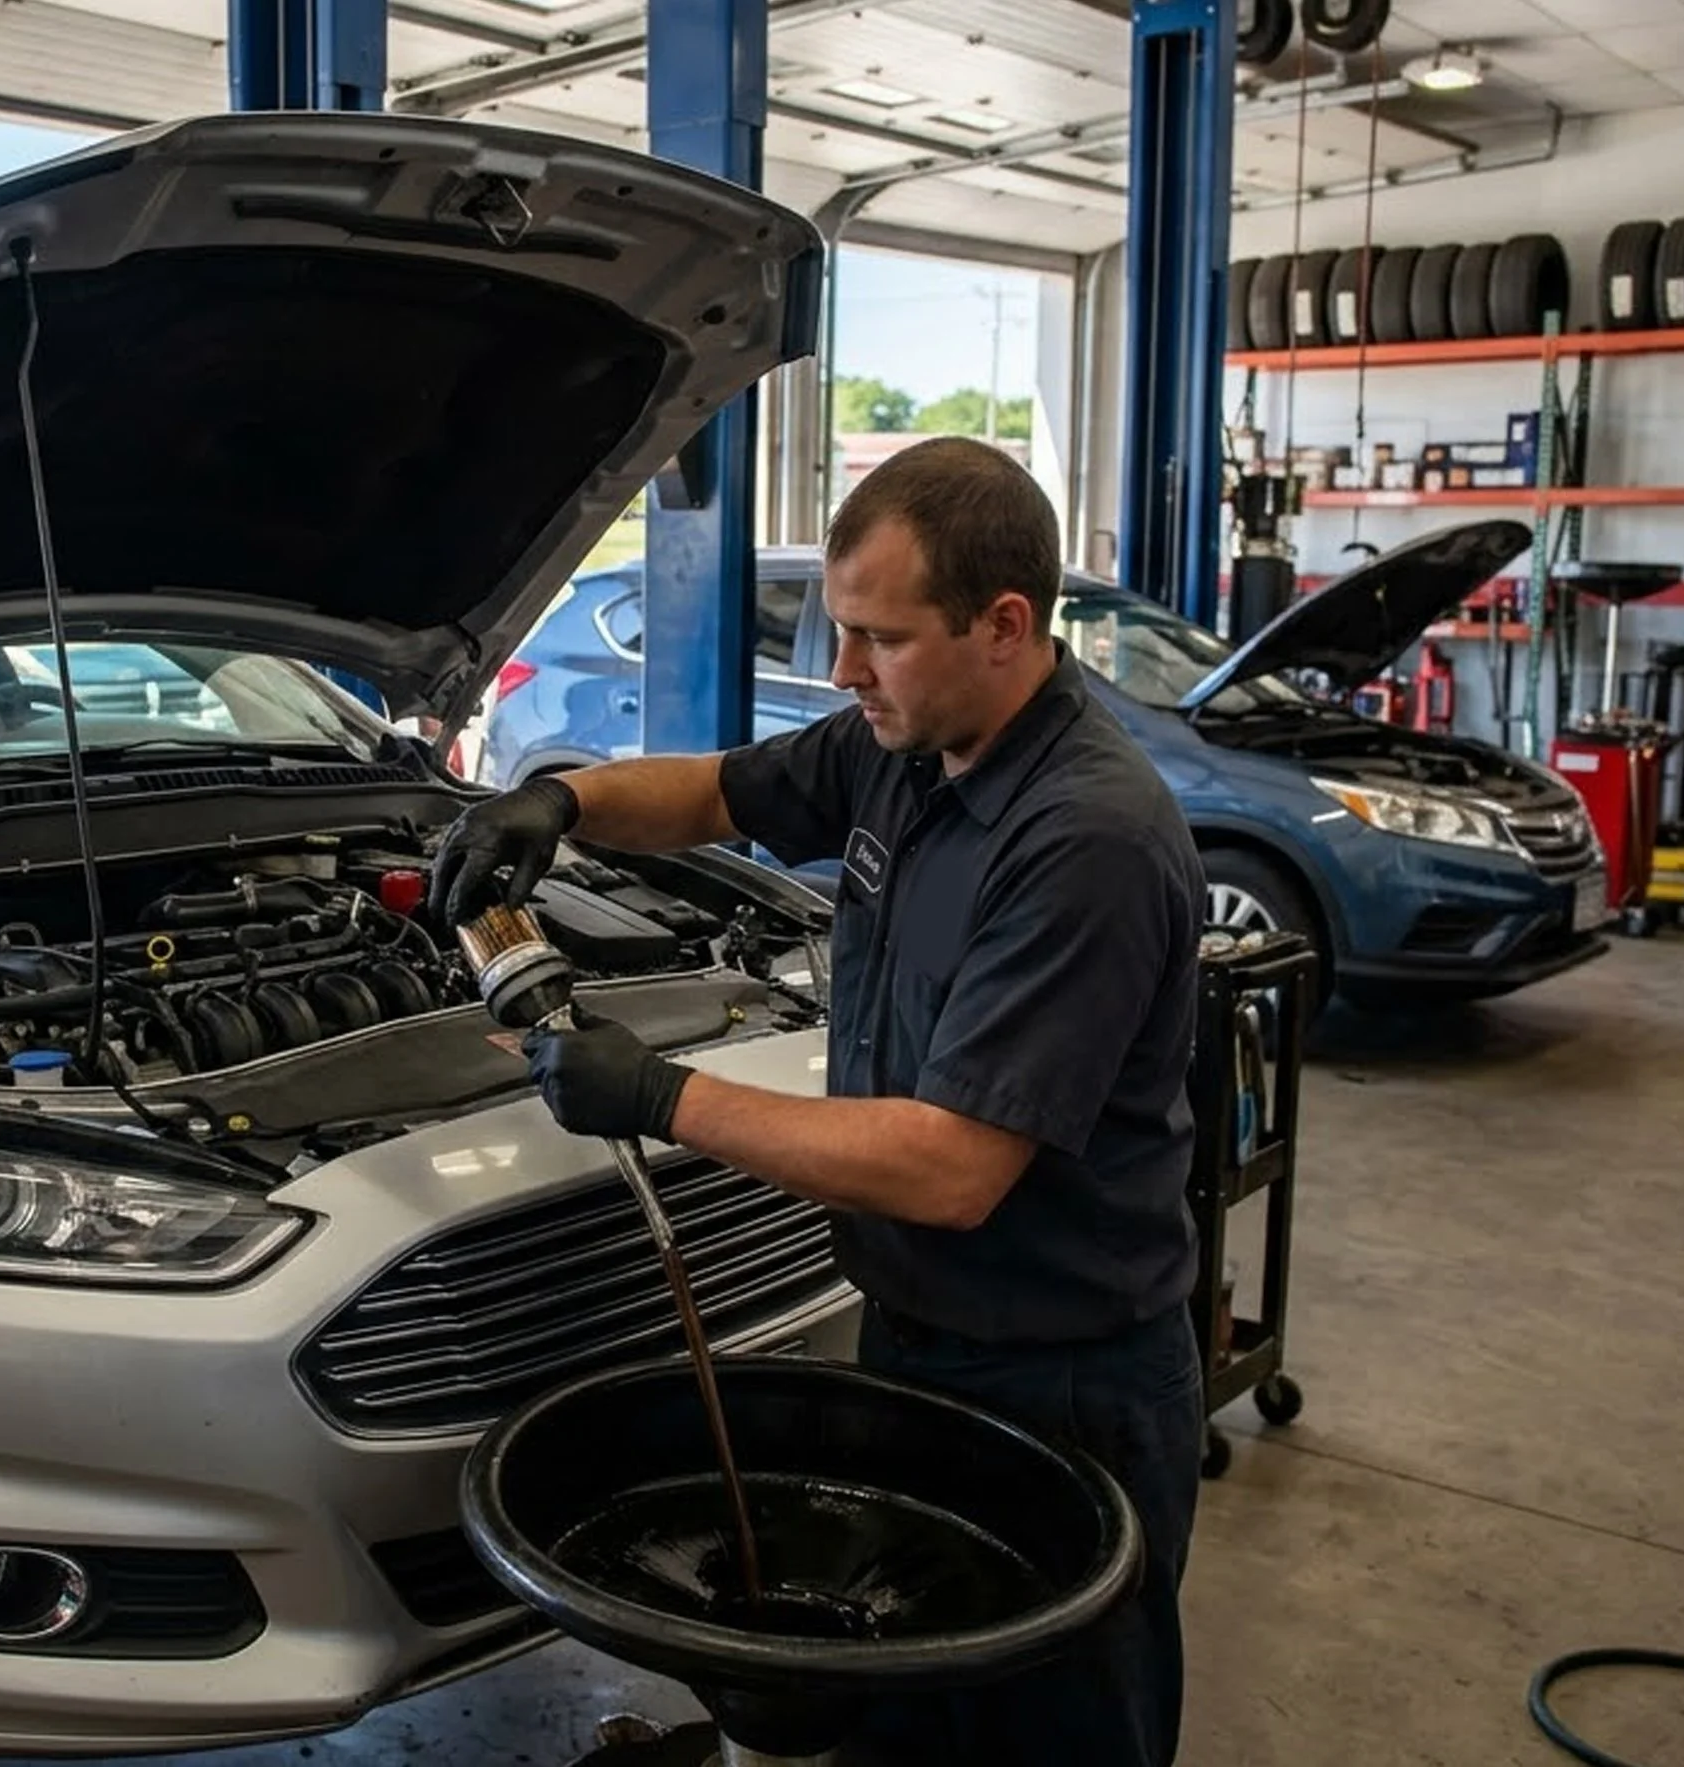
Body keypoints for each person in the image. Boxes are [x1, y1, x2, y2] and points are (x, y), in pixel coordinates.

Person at [428, 436, 1207, 1767]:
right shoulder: (907, 744)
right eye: (842, 631)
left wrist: (658, 1093)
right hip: (918, 1338)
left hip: (1068, 1378)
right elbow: (718, 791)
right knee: (908, 1725)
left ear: (1004, 625)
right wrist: (559, 799)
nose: (843, 670)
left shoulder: (1086, 840)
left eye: (878, 638)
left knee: (1055, 1734)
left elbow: (951, 1168)